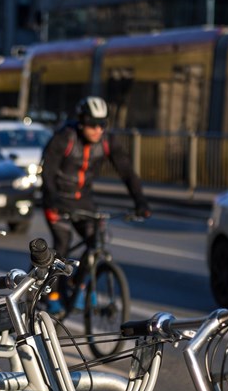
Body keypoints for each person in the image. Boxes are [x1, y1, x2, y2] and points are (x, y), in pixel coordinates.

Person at [40, 96, 151, 313]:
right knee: (62, 244)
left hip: (83, 199)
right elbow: (48, 171)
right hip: (58, 198)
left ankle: (76, 284)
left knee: (96, 241)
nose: (98, 130)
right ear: (81, 121)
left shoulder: (107, 142)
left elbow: (127, 172)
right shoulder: (65, 138)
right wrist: (52, 198)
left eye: (102, 124)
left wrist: (141, 201)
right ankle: (52, 293)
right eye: (92, 124)